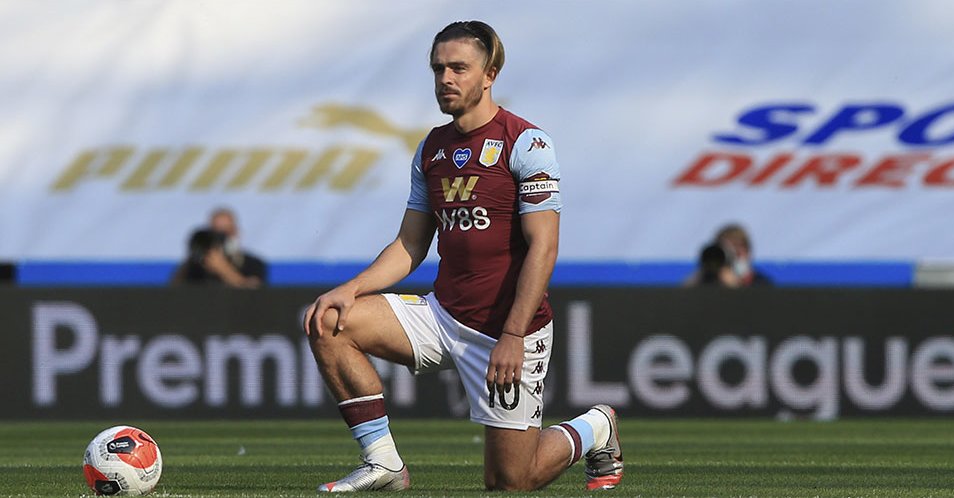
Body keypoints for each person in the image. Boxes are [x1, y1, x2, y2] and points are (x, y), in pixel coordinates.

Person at [303, 20, 623, 492]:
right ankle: (385, 464)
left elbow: (544, 246)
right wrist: (350, 289)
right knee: (327, 320)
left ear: (490, 74)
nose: (445, 79)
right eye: (438, 69)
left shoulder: (527, 143)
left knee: (511, 480)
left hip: (509, 328)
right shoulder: (432, 148)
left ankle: (596, 426)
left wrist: (513, 334)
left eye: (459, 68)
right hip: (442, 313)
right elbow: (410, 245)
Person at [170, 207, 267, 288]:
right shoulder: (194, 266)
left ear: (236, 232)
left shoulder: (253, 263)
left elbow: (255, 293)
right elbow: (173, 293)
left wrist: (224, 270)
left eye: (227, 232)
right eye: (217, 233)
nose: (223, 238)